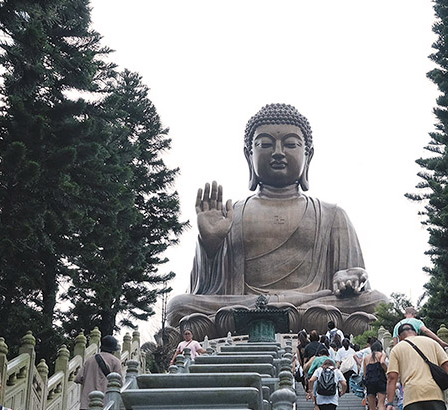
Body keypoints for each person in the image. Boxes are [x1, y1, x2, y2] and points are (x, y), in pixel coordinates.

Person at [165, 104, 387, 334]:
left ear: (308, 155)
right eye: (265, 144)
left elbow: (355, 282)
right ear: (248, 155)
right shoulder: (233, 214)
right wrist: (210, 247)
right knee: (178, 306)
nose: (278, 152)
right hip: (248, 305)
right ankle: (278, 316)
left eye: (290, 144)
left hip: (314, 303)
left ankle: (278, 317)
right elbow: (205, 292)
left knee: (379, 304)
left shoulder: (332, 214)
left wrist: (349, 277)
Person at [386, 323, 448, 410]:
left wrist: (390, 403)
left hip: (411, 397)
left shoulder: (396, 349)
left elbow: (392, 377)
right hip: (435, 394)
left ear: (399, 337)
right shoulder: (432, 342)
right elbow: (447, 365)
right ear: (416, 333)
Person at [74, 335, 123, 410]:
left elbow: (78, 379)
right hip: (106, 403)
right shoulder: (115, 361)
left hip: (87, 403)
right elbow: (119, 383)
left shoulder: (89, 360)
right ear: (113, 350)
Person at [362, 341, 388, 410]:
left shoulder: (366, 358)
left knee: (371, 406)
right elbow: (382, 362)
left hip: (370, 381)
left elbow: (364, 374)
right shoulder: (382, 354)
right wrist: (387, 370)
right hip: (380, 380)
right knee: (381, 404)